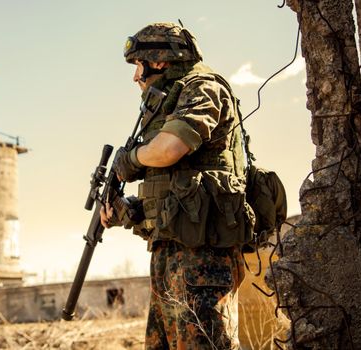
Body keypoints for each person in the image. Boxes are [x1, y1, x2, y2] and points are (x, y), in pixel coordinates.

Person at [100, 22, 249, 349]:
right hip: (172, 252)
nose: (135, 76)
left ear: (160, 60)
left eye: (139, 65)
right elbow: (175, 187)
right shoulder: (169, 100)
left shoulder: (203, 88)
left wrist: (132, 159)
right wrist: (131, 212)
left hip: (203, 255)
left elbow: (168, 150)